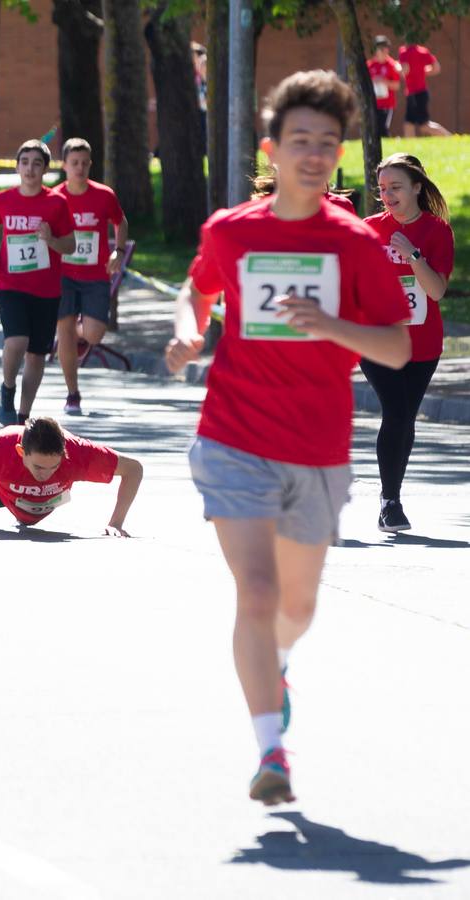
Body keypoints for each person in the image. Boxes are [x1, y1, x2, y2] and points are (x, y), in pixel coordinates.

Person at [165, 71, 412, 806]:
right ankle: (270, 749)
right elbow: (196, 289)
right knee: (257, 590)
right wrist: (186, 335)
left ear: (339, 154)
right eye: (299, 140)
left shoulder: (356, 244)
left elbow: (397, 348)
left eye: (327, 143)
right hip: (233, 435)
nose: (312, 153)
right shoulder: (232, 230)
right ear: (272, 149)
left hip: (316, 446)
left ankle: (273, 666)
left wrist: (331, 326)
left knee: (295, 609)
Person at [361, 153, 453, 532]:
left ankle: (391, 497)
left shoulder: (436, 231)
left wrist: (413, 255)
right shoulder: (367, 229)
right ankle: (390, 501)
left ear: (417, 188)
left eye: (396, 187)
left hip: (422, 343)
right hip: (377, 339)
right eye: (382, 188)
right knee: (396, 412)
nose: (387, 195)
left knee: (404, 417)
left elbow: (436, 291)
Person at [0, 417, 143, 537]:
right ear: (21, 452)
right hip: (0, 490)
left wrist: (116, 523)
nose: (44, 476)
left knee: (29, 517)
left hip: (41, 505)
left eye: (54, 466)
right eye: (38, 467)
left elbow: (134, 470)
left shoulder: (79, 452)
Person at [0, 139, 75, 427]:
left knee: (36, 355)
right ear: (17, 167)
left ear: (45, 169)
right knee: (17, 340)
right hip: (11, 284)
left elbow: (70, 245)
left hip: (46, 289)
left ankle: (22, 416)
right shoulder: (4, 200)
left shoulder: (57, 203)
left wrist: (51, 240)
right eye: (25, 163)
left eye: (36, 163)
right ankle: (7, 388)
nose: (30, 169)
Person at [53, 138, 127, 417]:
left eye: (85, 163)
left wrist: (117, 251)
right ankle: (72, 393)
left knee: (95, 333)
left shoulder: (103, 195)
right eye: (74, 163)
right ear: (64, 166)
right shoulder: (55, 197)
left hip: (95, 274)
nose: (80, 168)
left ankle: (79, 334)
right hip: (62, 275)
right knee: (65, 332)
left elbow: (121, 221)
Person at [398, 40, 452, 137]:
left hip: (414, 92)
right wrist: (422, 72)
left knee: (422, 125)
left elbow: (405, 70)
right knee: (410, 123)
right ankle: (410, 146)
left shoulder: (403, 51)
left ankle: (448, 136)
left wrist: (398, 71)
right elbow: (436, 68)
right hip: (421, 92)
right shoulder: (423, 51)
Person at [367, 37, 403, 136]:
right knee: (373, 129)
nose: (383, 51)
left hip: (387, 104)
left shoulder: (392, 65)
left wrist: (384, 81)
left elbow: (396, 86)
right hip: (373, 103)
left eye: (385, 48)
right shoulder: (370, 65)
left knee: (383, 128)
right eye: (381, 48)